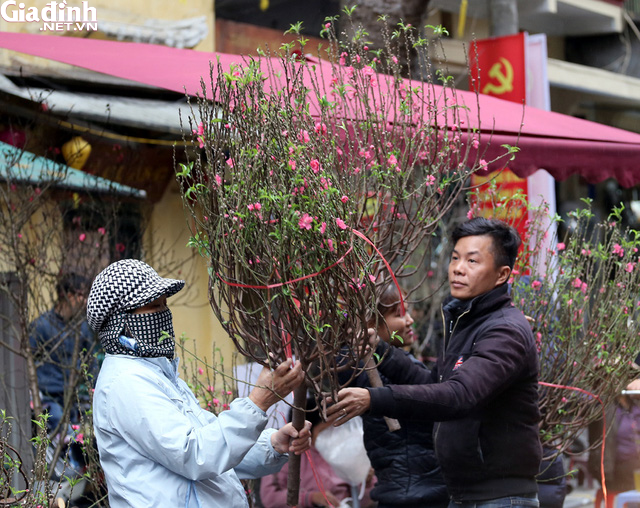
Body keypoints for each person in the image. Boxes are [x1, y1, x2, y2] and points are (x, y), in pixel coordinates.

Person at [327, 217, 542, 508]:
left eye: (472, 261)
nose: (458, 268)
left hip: (499, 497)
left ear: (502, 274)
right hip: (464, 495)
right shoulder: (466, 322)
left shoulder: (504, 330)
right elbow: (434, 384)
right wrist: (382, 352)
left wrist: (374, 398)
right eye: (455, 258)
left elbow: (458, 395)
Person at [86, 259, 312, 508]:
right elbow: (195, 455)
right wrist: (258, 401)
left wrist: (272, 445)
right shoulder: (126, 383)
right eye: (152, 306)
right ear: (120, 322)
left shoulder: (157, 374)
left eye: (164, 305)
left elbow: (211, 439)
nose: (162, 314)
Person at [340, 282, 448, 508]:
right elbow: (430, 390)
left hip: (416, 489)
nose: (409, 320)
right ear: (370, 324)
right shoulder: (369, 371)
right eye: (399, 314)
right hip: (413, 494)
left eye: (407, 312)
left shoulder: (395, 363)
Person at [260, 398, 376, 508]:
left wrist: (366, 482)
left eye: (336, 428)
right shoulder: (287, 454)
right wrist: (310, 498)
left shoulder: (344, 453)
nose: (333, 434)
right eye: (326, 430)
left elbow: (363, 501)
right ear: (307, 431)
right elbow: (270, 497)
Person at [29, 272, 96, 432]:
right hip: (47, 402)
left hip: (73, 399)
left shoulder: (83, 328)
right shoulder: (41, 326)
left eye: (87, 295)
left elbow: (91, 364)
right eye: (81, 295)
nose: (85, 301)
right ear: (65, 295)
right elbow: (26, 365)